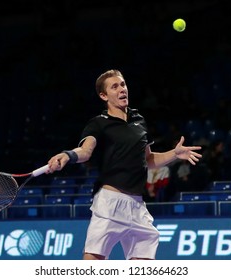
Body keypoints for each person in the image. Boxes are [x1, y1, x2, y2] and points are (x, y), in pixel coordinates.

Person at [46, 69, 202, 260]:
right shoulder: (99, 124)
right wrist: (68, 155)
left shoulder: (139, 120)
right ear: (104, 95)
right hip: (110, 203)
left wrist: (175, 154)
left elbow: (148, 160)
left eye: (123, 84)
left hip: (137, 205)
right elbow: (86, 151)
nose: (122, 89)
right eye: (114, 86)